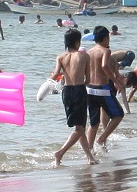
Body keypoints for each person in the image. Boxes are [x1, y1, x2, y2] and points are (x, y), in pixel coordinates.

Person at [50, 29, 97, 166]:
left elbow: (56, 75)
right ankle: (60, 153)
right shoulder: (84, 57)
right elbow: (88, 79)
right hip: (79, 90)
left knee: (79, 126)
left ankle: (90, 157)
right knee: (80, 128)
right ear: (78, 42)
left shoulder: (60, 57)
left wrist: (46, 87)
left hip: (66, 92)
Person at [86, 24, 125, 149]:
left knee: (93, 123)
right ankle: (102, 138)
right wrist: (115, 80)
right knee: (119, 115)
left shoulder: (89, 52)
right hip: (102, 89)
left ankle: (89, 150)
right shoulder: (105, 51)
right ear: (105, 38)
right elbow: (104, 66)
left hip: (89, 89)